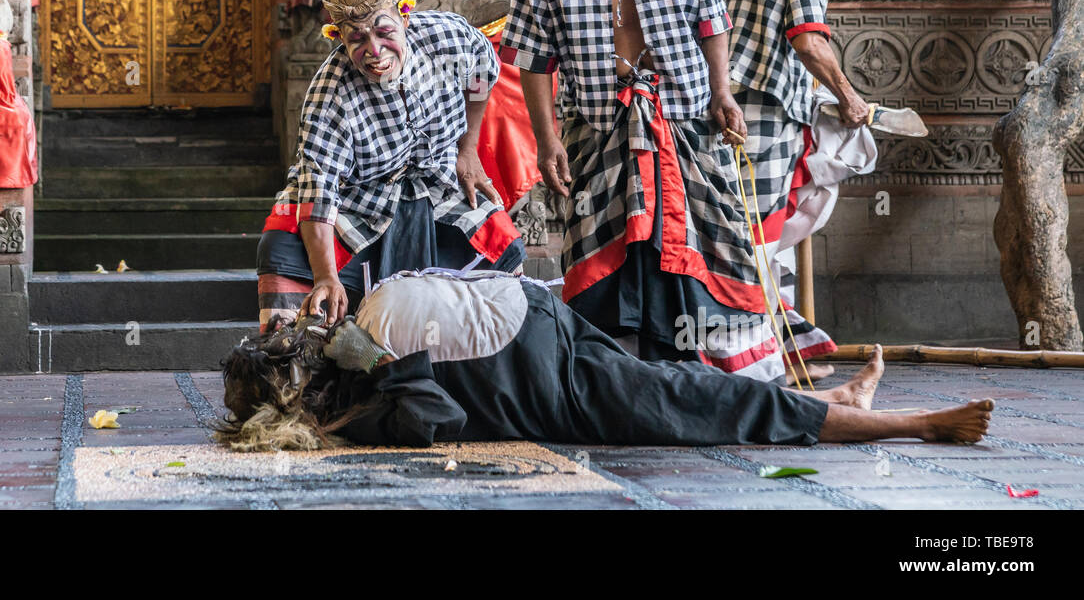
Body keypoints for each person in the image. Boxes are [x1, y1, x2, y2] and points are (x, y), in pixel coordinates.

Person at [500, 0, 836, 382]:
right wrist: (546, 138)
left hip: (683, 107)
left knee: (709, 233)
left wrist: (723, 91)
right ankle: (616, 375)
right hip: (599, 115)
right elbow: (533, 53)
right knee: (603, 241)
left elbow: (711, 16)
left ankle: (720, 371)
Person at [220, 269, 995, 450]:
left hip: (543, 322)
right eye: (287, 335)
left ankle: (843, 404)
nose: (296, 321)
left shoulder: (360, 320)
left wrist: (342, 313)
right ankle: (915, 423)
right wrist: (378, 360)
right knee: (705, 404)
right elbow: (440, 415)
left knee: (691, 384)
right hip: (557, 386)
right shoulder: (359, 406)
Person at [256, 0, 525, 333]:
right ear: (338, 38)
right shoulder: (329, 96)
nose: (375, 51)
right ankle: (302, 366)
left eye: (384, 33)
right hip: (359, 200)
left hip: (438, 182)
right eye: (358, 40)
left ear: (404, 14)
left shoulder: (449, 37)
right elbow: (318, 194)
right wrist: (325, 278)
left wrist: (468, 149)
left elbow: (482, 73)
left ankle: (472, 364)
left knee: (503, 248)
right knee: (281, 249)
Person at [722, 0, 879, 379]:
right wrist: (850, 97)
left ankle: (777, 349)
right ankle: (761, 354)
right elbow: (809, 43)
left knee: (741, 226)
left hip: (728, 103)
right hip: (764, 111)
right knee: (760, 232)